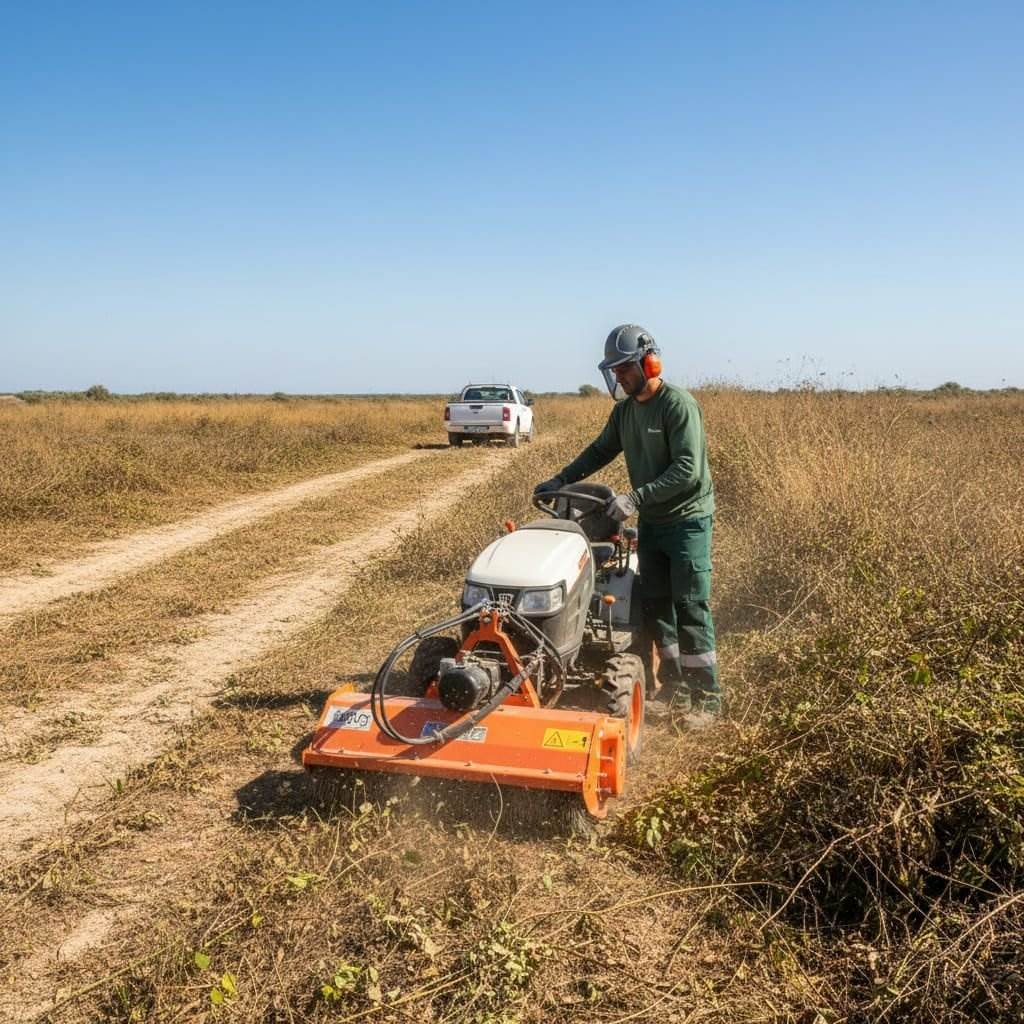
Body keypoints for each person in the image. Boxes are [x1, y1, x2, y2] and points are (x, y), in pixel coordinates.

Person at [534, 325, 720, 725]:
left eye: (624, 368)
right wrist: (561, 479)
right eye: (614, 370)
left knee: (690, 605)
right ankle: (673, 689)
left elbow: (687, 470)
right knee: (656, 606)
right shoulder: (625, 412)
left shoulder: (678, 405)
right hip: (654, 521)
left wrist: (634, 498)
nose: (619, 377)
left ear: (648, 363)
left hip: (687, 521)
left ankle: (707, 699)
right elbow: (600, 451)